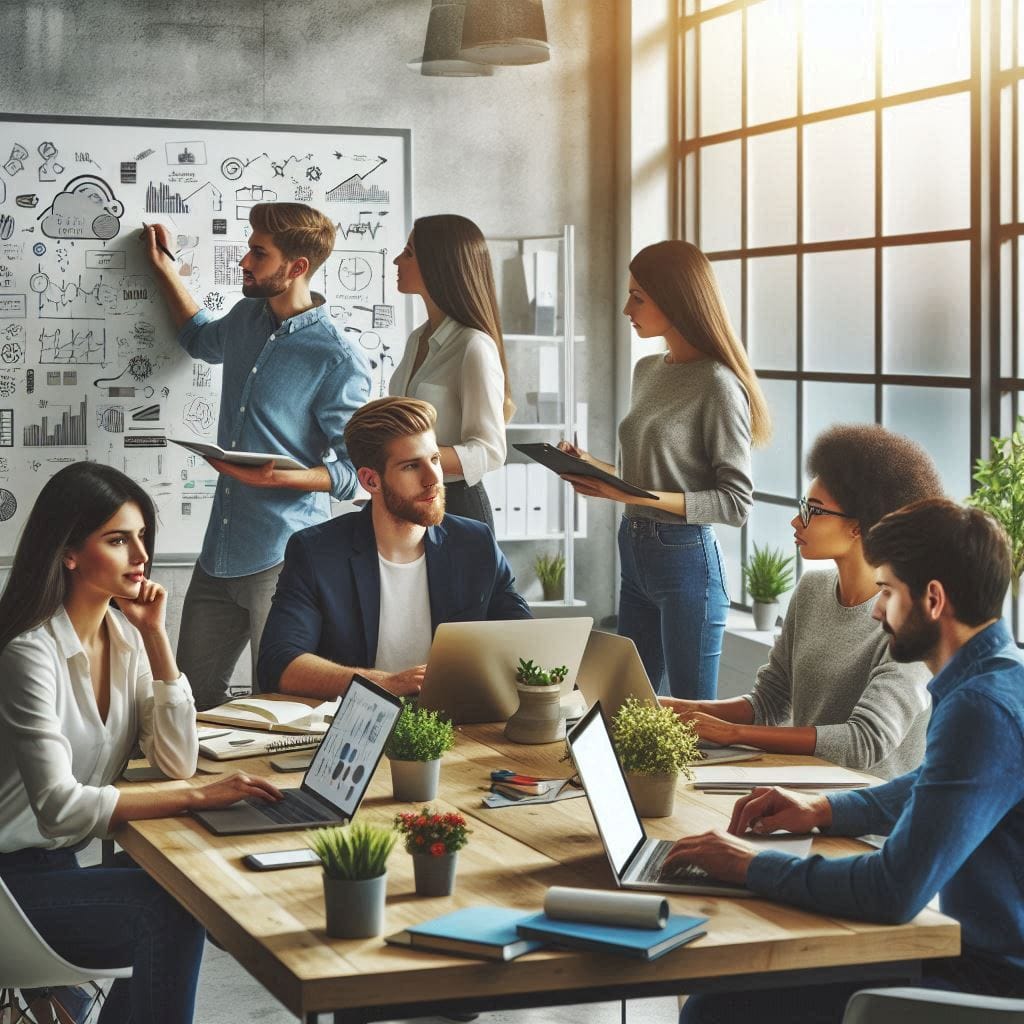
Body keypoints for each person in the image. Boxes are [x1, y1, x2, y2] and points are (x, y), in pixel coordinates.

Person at [664, 498, 1024, 1022]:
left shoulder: (979, 708)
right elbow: (932, 784)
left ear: (933, 599)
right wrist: (825, 810)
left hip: (987, 980)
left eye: (887, 591)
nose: (877, 611)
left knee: (716, 1010)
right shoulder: (1000, 672)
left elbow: (891, 891)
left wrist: (751, 866)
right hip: (968, 954)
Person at [0, 462, 282, 1024]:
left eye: (142, 538)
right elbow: (60, 809)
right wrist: (199, 798)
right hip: (7, 889)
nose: (141, 556)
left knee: (196, 885)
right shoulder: (28, 653)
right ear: (68, 552)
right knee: (165, 909)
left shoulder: (125, 638)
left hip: (57, 871)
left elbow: (176, 761)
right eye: (118, 540)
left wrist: (156, 634)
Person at [144, 203, 371, 710]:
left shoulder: (336, 358)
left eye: (258, 253)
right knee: (189, 701)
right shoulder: (247, 316)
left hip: (283, 559)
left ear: (297, 268)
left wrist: (283, 479)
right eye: (249, 248)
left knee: (282, 703)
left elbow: (361, 473)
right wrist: (165, 269)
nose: (244, 262)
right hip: (219, 552)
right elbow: (200, 339)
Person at [662, 425, 942, 778]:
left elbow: (865, 742)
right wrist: (676, 708)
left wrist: (734, 735)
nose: (797, 521)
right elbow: (769, 702)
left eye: (813, 510)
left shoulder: (907, 620)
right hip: (801, 794)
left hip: (868, 819)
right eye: (802, 507)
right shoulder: (812, 589)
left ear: (859, 526)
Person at [560, 240, 770, 701]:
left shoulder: (718, 384)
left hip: (686, 563)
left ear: (676, 300)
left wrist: (631, 497)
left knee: (691, 715)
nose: (625, 308)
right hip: (634, 550)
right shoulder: (648, 369)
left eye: (638, 297)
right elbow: (651, 475)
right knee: (627, 706)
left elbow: (735, 504)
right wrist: (594, 468)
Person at [258, 397, 531, 698]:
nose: (433, 479)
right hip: (360, 727)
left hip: (460, 722)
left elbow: (525, 644)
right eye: (412, 466)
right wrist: (386, 684)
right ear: (370, 480)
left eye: (435, 460)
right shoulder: (316, 553)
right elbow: (279, 664)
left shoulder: (475, 543)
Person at [389, 214, 512, 530]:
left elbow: (491, 452)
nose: (396, 260)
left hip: (457, 508)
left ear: (438, 265)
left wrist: (407, 456)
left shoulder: (473, 346)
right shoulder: (417, 339)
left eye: (409, 253)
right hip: (410, 504)